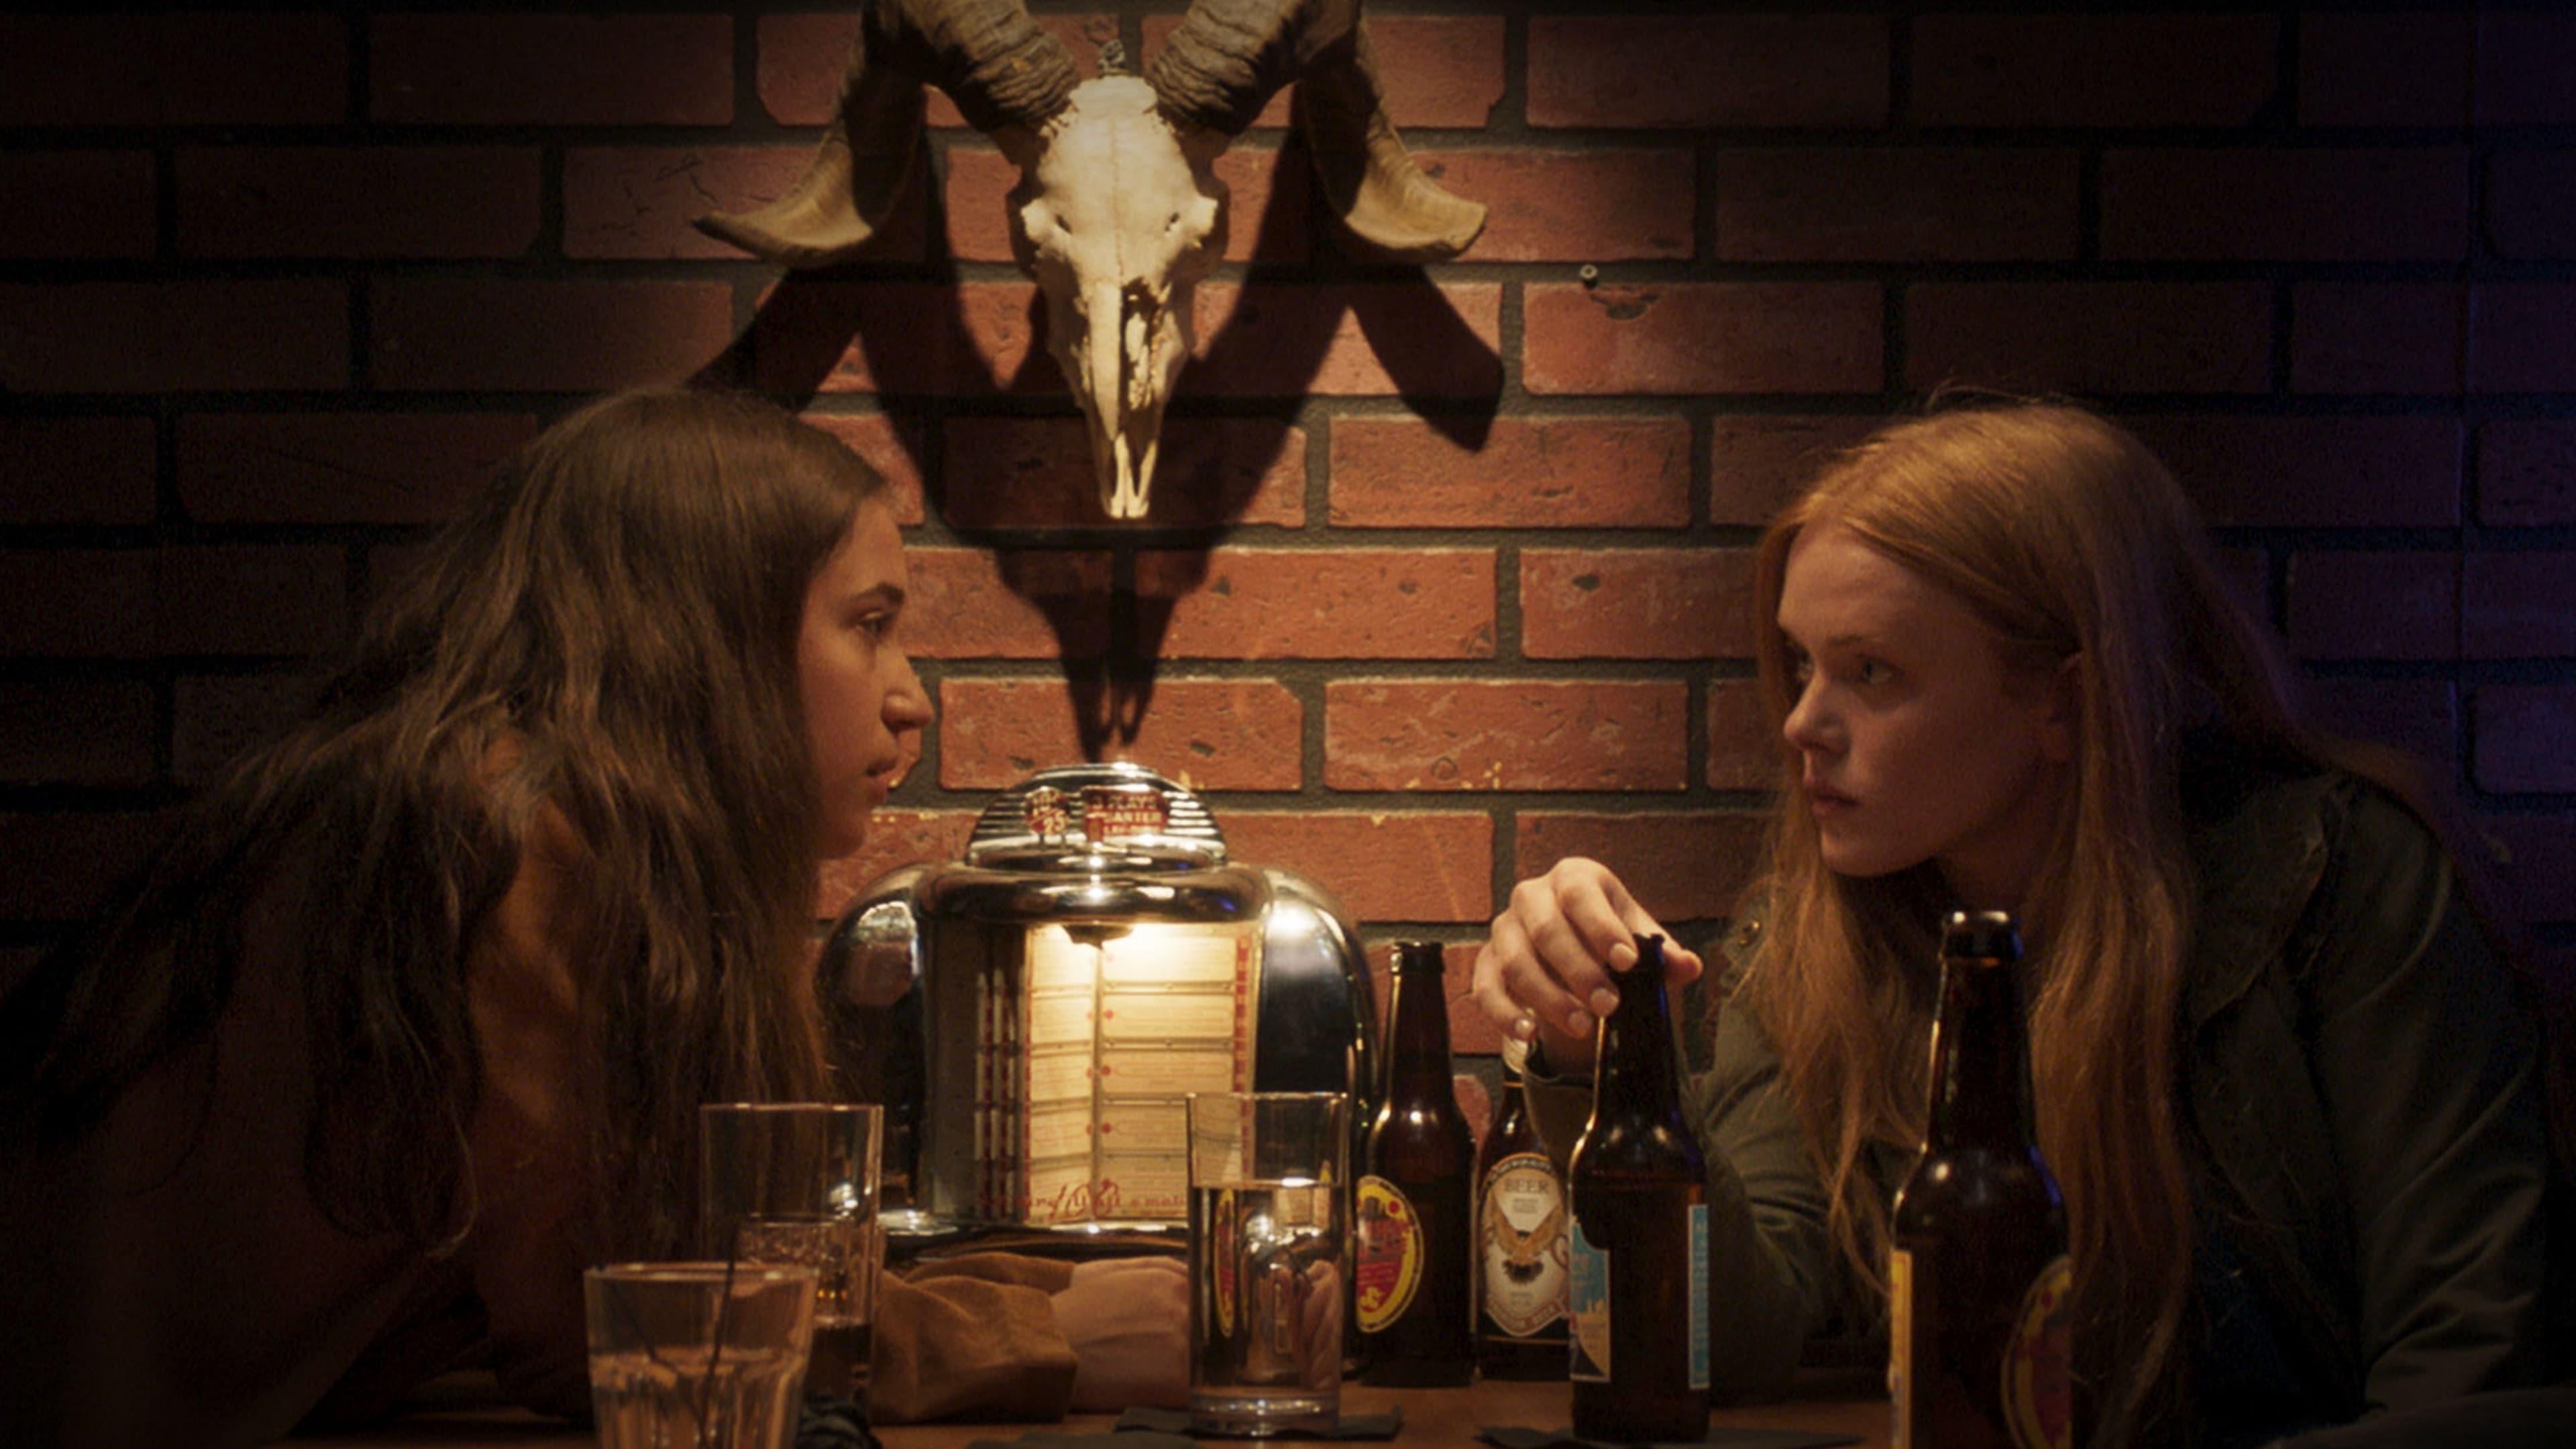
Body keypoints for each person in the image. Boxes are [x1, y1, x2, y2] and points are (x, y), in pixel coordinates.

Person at [0, 388, 1187, 1449]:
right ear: (710, 628)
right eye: (869, 624)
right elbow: (628, 1327)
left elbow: (684, 1263)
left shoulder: (480, 795)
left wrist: (1031, 1294)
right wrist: (1042, 1338)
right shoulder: (507, 841)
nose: (910, 698)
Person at [1473, 399, 2572, 1446]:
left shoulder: (2333, 883)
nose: (1803, 721)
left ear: (2063, 698)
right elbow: (1743, 1335)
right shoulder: (1816, 940)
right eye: (1803, 664)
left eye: (1870, 671)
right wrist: (1594, 1050)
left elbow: (2471, 1371)